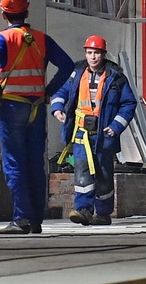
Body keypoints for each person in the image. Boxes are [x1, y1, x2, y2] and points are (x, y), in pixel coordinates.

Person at [0, 0, 74, 234]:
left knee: (15, 162)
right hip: (36, 108)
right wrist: (48, 91)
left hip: (12, 107)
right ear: (27, 11)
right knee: (35, 162)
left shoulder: (3, 38)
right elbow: (66, 65)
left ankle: (21, 218)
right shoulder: (41, 39)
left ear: (4, 15)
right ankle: (35, 220)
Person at [51, 35, 138, 225]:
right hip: (82, 132)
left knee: (103, 173)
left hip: (103, 134)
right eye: (89, 53)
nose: (92, 57)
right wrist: (57, 108)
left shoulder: (115, 77)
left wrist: (116, 126)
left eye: (96, 53)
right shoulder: (77, 73)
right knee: (81, 170)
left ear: (103, 54)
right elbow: (61, 92)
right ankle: (83, 210)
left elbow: (129, 103)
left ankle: (103, 213)